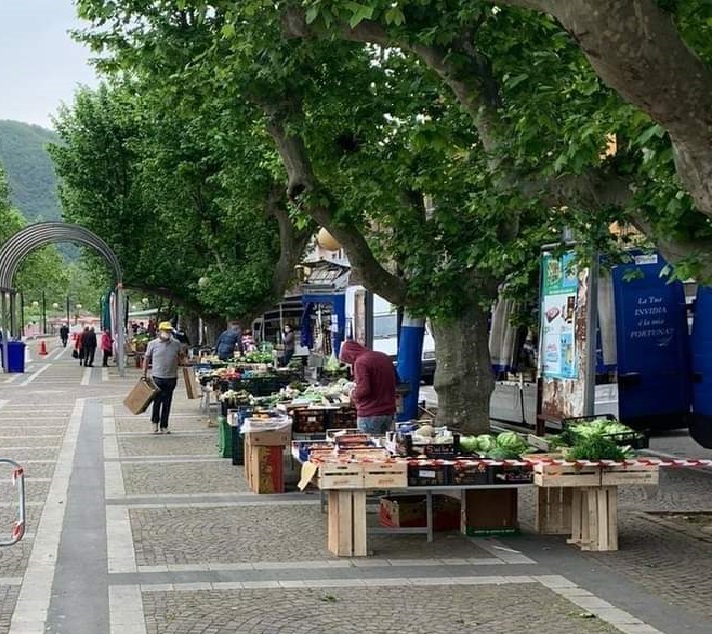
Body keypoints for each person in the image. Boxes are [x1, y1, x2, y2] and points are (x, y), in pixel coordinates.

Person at [339, 340, 397, 435]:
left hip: (369, 413)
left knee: (370, 446)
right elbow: (396, 381)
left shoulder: (360, 362)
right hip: (389, 412)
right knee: (385, 446)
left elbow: (364, 389)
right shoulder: (383, 356)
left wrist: (352, 393)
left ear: (349, 355)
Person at [144, 321, 184, 434]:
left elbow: (181, 356)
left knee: (167, 402)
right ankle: (155, 423)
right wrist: (144, 373)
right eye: (166, 330)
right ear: (160, 331)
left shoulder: (176, 343)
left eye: (169, 331)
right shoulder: (152, 344)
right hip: (157, 377)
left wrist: (183, 363)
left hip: (171, 377)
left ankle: (164, 425)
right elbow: (146, 358)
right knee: (157, 401)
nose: (168, 333)